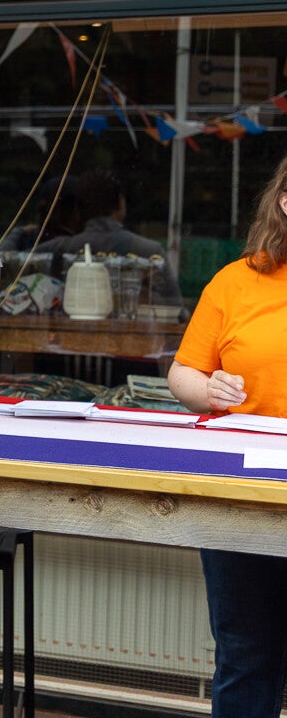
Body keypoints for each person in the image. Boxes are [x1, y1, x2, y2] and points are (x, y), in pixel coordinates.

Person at [167, 157, 287, 718]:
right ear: (284, 201)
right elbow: (182, 374)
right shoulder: (236, 281)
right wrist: (207, 389)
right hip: (240, 490)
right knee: (244, 653)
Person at [35, 170, 183, 305]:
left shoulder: (51, 252)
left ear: (78, 209)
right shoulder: (150, 251)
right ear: (120, 202)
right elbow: (176, 310)